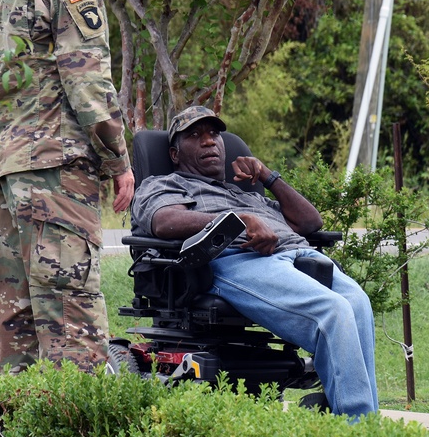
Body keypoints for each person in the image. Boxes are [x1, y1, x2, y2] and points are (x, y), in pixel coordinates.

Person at [0, 0, 134, 374]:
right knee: (71, 328)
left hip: (4, 166)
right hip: (55, 167)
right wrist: (119, 162)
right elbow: (86, 79)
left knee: (19, 329)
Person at [130, 106, 379, 418]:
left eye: (214, 134)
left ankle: (363, 419)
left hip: (301, 256)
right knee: (334, 311)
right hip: (239, 260)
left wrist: (266, 176)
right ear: (175, 154)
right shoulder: (165, 184)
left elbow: (310, 222)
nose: (209, 141)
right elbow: (163, 221)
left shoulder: (246, 194)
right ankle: (360, 426)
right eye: (195, 135)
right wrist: (237, 220)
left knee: (357, 305)